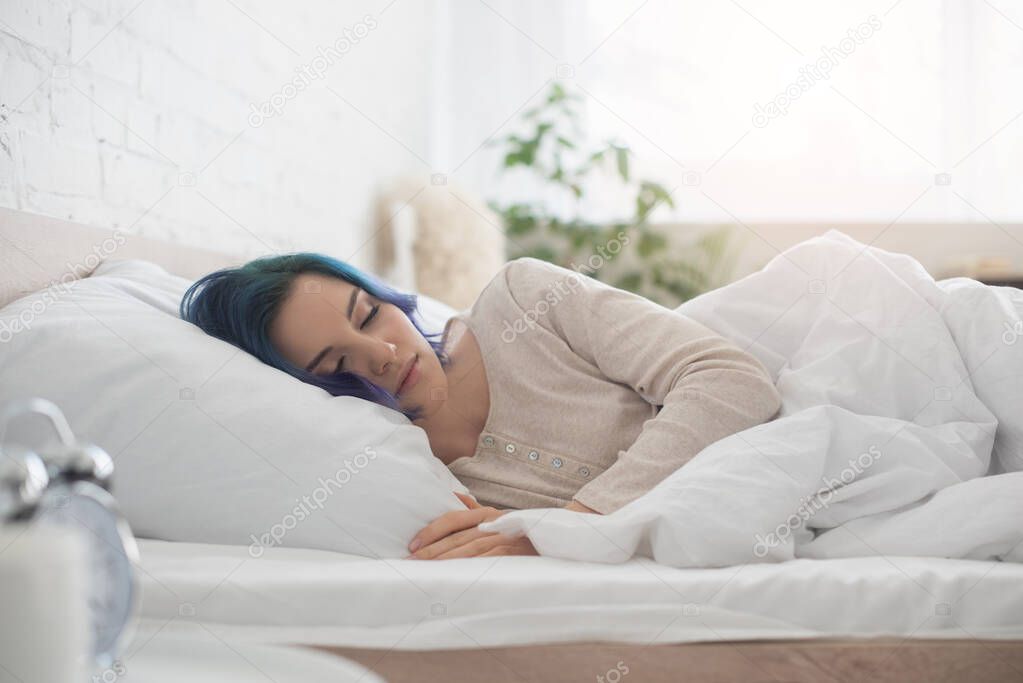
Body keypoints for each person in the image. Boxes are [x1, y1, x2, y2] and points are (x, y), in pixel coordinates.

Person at [180, 253, 782, 559]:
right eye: (337, 365)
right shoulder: (404, 479)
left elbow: (731, 379)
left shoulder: (525, 300)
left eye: (369, 313)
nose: (383, 352)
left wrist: (575, 522)